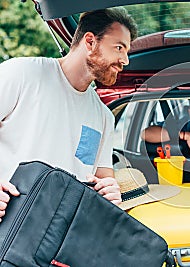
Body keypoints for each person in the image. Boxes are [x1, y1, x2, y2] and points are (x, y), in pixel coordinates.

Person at [0, 8, 138, 221]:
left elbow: (102, 180)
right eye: (119, 48)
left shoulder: (103, 116)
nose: (125, 60)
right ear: (90, 42)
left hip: (62, 237)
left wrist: (110, 193)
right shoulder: (21, 74)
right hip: (7, 227)